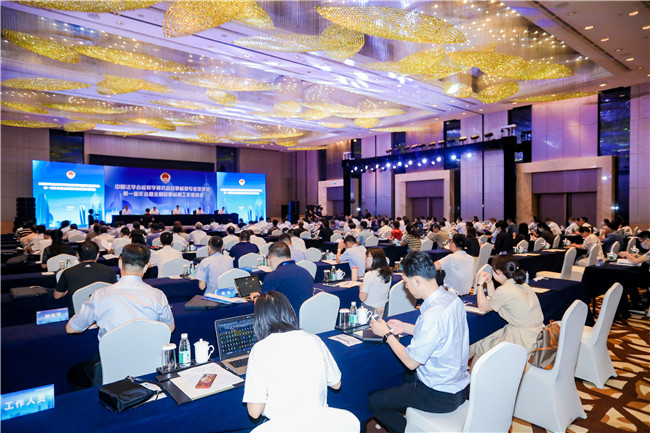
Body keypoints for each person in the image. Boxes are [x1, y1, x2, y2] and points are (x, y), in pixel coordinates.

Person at [367, 251, 470, 433]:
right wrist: (405, 327)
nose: (406, 287)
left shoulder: (432, 315)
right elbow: (441, 334)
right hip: (460, 386)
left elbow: (411, 362)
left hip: (439, 395)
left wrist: (387, 334)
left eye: (405, 282)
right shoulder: (452, 299)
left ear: (417, 281)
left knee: (374, 401)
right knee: (403, 378)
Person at [65, 244, 174, 387]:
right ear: (147, 267)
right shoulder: (158, 295)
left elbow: (71, 328)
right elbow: (169, 328)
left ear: (120, 262)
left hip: (113, 369)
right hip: (148, 366)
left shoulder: (100, 295)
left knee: (75, 373)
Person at [243, 291, 341, 420]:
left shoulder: (260, 349)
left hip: (284, 425)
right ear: (289, 312)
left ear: (259, 319)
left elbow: (254, 412)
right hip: (318, 421)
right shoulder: (314, 339)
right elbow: (336, 384)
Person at [472, 254, 544, 366]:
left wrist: (480, 284)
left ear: (498, 272)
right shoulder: (523, 284)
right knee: (485, 341)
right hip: (536, 335)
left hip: (521, 339)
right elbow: (496, 300)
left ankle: (472, 376)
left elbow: (483, 307)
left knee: (480, 345)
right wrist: (490, 283)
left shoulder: (505, 290)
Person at [54, 241, 117, 316]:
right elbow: (115, 294)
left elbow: (57, 296)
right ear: (98, 255)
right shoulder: (109, 271)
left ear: (78, 255)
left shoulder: (67, 272)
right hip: (104, 315)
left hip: (76, 316)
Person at [250, 242, 314, 316]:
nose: (269, 263)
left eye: (269, 259)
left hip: (285, 320)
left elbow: (263, 309)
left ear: (273, 259)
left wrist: (255, 297)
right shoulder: (305, 272)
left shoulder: (273, 276)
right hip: (306, 317)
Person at [359, 248, 392, 316]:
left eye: (367, 257)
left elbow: (362, 298)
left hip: (369, 311)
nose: (365, 260)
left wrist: (361, 288)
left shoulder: (369, 275)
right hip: (384, 310)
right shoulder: (388, 273)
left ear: (375, 259)